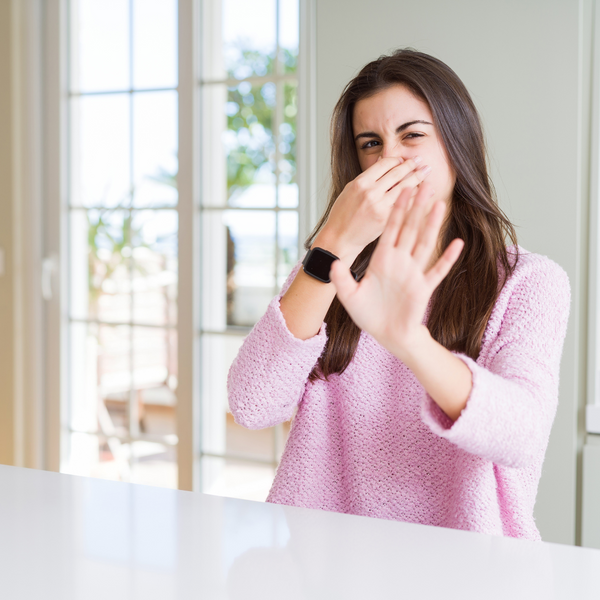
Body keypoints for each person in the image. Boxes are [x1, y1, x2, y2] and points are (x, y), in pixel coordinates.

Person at [227, 48, 571, 540]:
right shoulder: (328, 272)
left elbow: (522, 434)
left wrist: (410, 341)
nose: (389, 159)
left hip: (470, 574)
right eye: (371, 143)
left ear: (456, 145)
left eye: (412, 135)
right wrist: (332, 244)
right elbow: (251, 404)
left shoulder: (530, 281)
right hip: (325, 570)